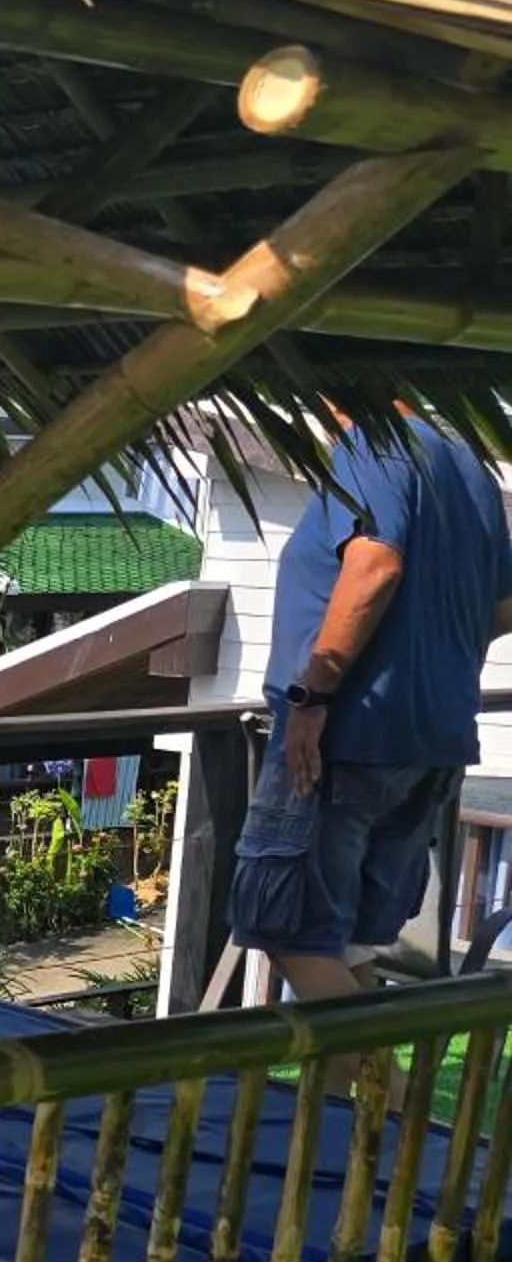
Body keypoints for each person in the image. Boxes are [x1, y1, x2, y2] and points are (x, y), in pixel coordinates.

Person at [229, 407, 512, 1003]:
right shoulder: (470, 467)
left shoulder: (374, 445)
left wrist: (311, 695)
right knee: (349, 940)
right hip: (432, 742)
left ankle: (401, 1095)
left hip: (347, 736)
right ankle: (360, 1099)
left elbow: (376, 563)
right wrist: (434, 649)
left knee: (289, 930)